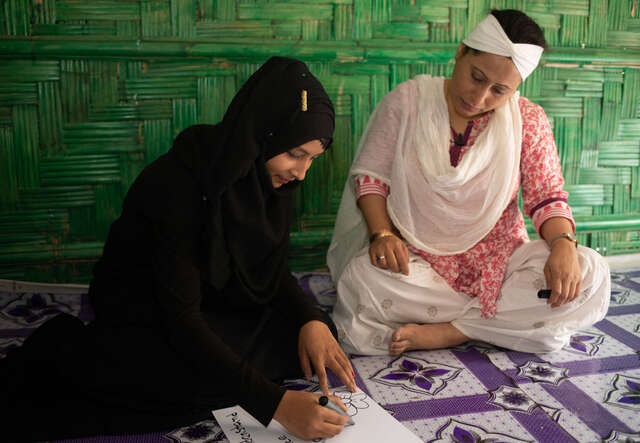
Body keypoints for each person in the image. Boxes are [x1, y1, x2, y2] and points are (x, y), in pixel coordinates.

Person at [2, 56, 356, 442]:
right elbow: (179, 317)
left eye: (312, 159)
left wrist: (310, 319)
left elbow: (268, 270)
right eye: (295, 154)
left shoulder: (269, 181)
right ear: (264, 133)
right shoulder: (178, 185)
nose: (301, 172)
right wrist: (275, 406)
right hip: (150, 315)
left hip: (212, 303)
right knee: (188, 384)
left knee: (306, 340)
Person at [327, 10, 611, 356]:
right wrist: (382, 234)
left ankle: (452, 331)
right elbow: (372, 178)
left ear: (517, 89)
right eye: (476, 77)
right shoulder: (408, 101)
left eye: (499, 90)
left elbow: (546, 195)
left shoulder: (529, 120)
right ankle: (497, 324)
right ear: (461, 52)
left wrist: (565, 245)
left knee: (590, 272)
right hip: (420, 264)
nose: (479, 98)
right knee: (361, 280)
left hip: (501, 264)